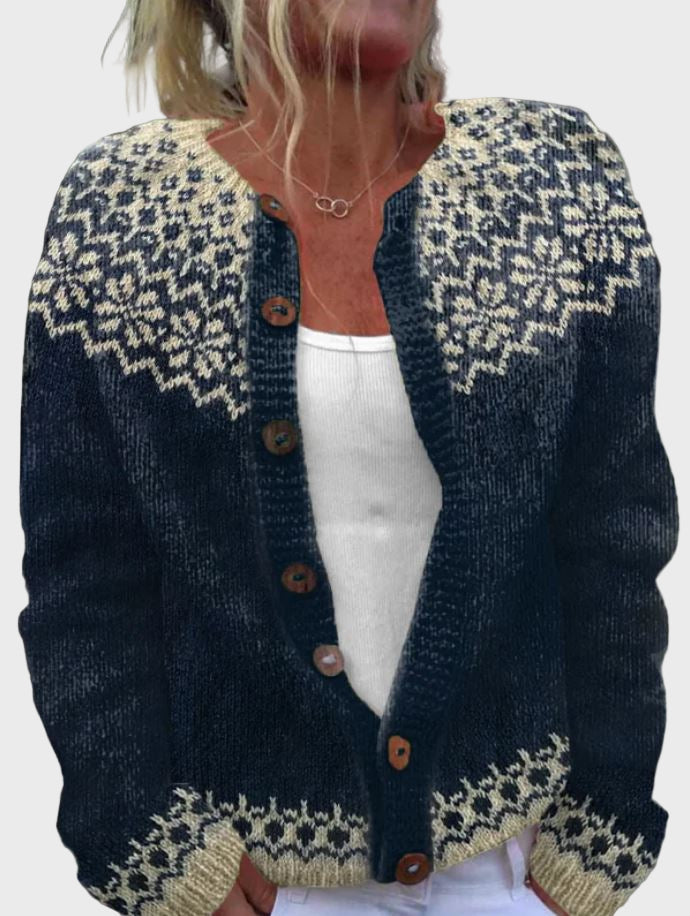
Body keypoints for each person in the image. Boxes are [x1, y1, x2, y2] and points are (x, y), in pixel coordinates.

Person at [17, 1, 677, 915]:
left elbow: (616, 527)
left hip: (512, 867)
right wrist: (147, 841)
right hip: (250, 875)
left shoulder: (552, 179)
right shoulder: (123, 211)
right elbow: (84, 570)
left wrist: (600, 835)